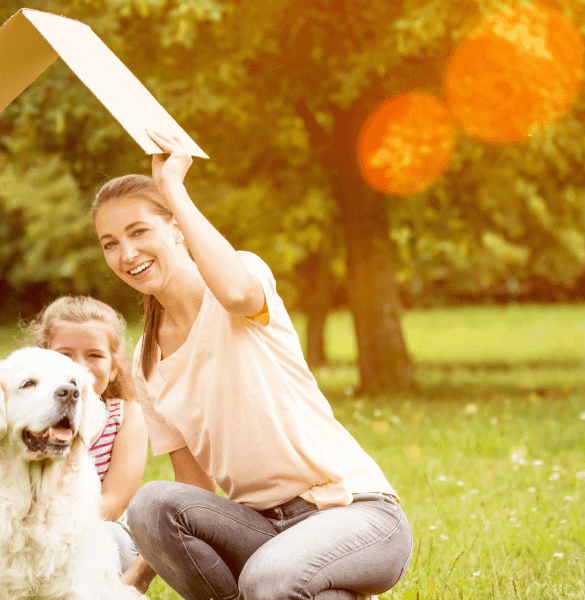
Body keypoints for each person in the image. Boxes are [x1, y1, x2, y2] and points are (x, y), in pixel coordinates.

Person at [95, 130, 413, 600]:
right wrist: (135, 579)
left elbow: (238, 294)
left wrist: (174, 189)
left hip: (354, 512)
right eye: (110, 243)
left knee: (269, 580)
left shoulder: (241, 278)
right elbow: (193, 490)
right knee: (151, 504)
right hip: (261, 529)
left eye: (139, 232)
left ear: (177, 228)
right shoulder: (145, 362)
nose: (127, 254)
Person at [25, 296, 153, 587]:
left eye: (94, 355)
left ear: (114, 366)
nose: (78, 368)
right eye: (65, 355)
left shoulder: (126, 415)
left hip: (98, 530)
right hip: (28, 530)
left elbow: (115, 501)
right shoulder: (25, 419)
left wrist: (54, 533)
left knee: (105, 542)